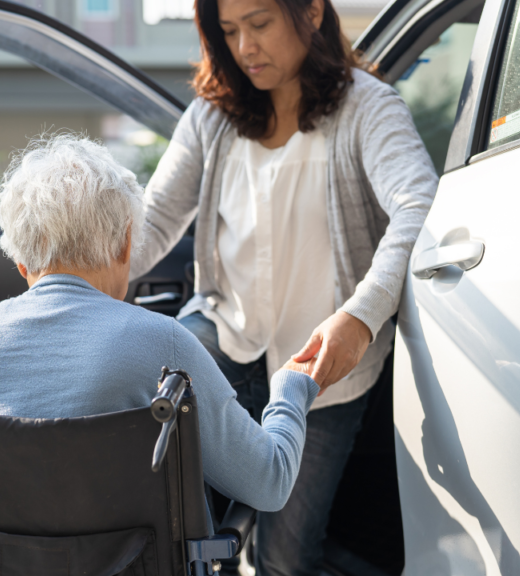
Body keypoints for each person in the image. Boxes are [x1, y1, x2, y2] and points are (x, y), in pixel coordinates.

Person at [128, 0, 439, 573]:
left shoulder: (369, 107)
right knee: (172, 530)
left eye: (260, 23)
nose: (245, 47)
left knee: (284, 559)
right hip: (223, 339)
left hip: (319, 370)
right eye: (229, 31)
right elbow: (151, 223)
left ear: (312, 11)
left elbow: (418, 207)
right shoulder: (210, 116)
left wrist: (362, 316)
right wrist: (76, 283)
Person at [0, 133, 337, 514]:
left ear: (22, 261)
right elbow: (269, 483)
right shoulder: (163, 343)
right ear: (126, 244)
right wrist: (291, 386)